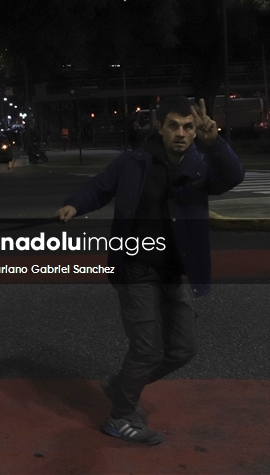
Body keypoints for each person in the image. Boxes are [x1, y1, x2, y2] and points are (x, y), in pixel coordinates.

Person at [56, 96, 244, 446]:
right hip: (136, 268)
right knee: (147, 351)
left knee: (183, 348)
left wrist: (215, 142)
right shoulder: (135, 161)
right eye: (174, 125)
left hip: (174, 272)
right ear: (161, 126)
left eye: (188, 127)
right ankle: (120, 417)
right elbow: (100, 186)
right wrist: (74, 204)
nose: (181, 133)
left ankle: (120, 386)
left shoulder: (201, 166)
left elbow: (233, 177)